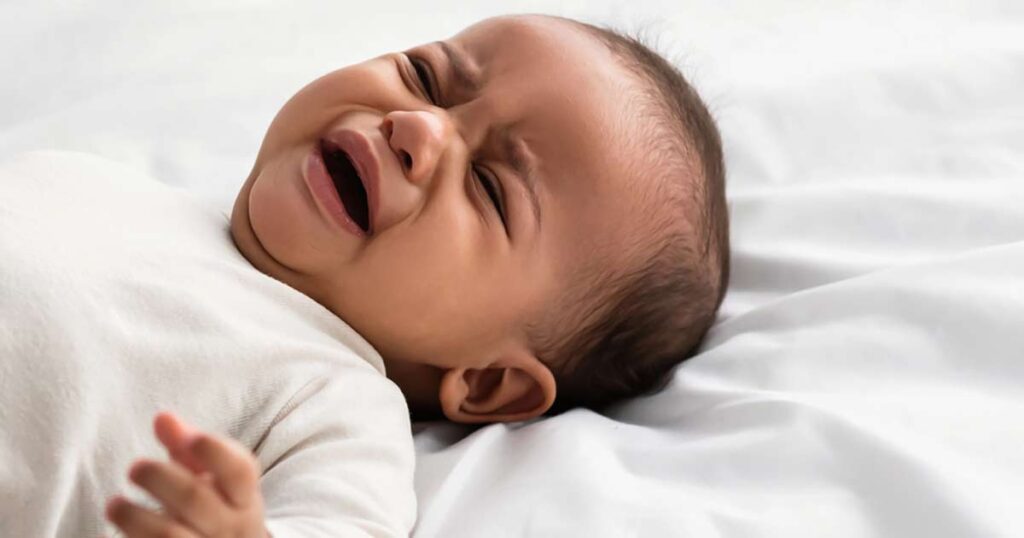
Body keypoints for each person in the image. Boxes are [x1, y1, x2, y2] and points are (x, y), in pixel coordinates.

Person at [0, 14, 728, 538]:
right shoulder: (123, 188)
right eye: (426, 77)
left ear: (487, 383)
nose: (419, 127)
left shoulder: (339, 405)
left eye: (488, 187)